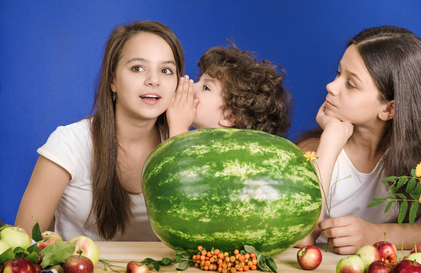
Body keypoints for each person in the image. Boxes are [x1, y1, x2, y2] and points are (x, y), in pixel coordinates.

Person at [15, 21, 187, 241]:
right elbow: (21, 246)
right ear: (112, 80)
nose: (153, 80)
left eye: (166, 70)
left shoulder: (182, 142)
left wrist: (180, 134)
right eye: (137, 68)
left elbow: (194, 240)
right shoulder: (68, 143)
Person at [296, 26, 421, 254]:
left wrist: (375, 235)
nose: (330, 86)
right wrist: (329, 140)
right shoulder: (313, 151)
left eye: (351, 84)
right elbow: (301, 237)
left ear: (389, 109)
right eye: (339, 74)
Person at [167, 43, 294, 138]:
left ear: (229, 117)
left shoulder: (223, 155)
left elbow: (178, 171)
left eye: (206, 87)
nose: (192, 87)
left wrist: (178, 126)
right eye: (199, 81)